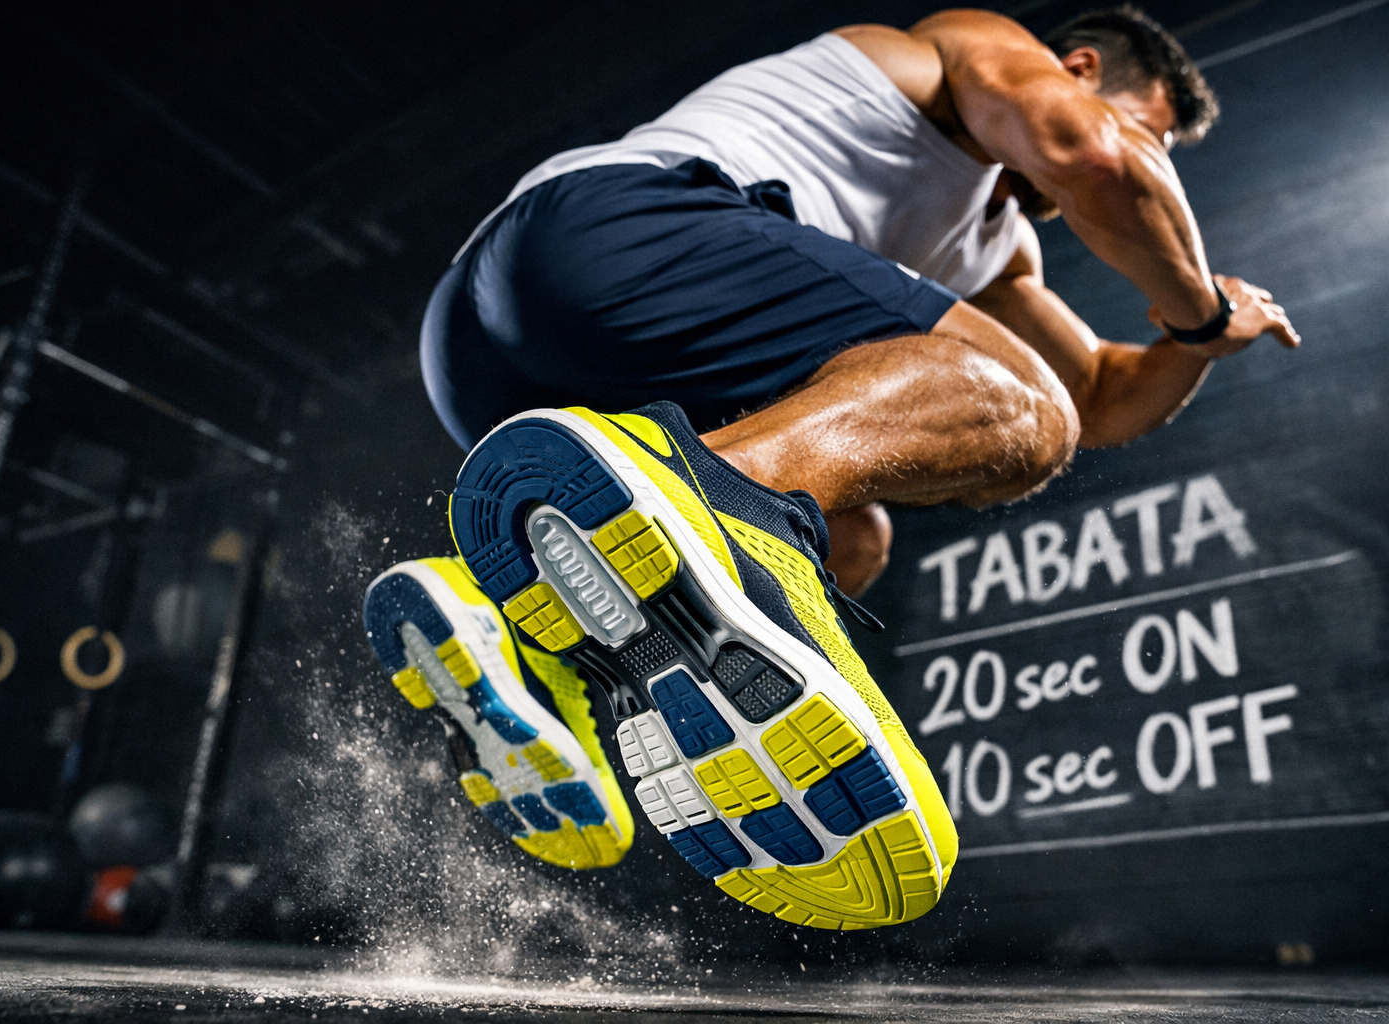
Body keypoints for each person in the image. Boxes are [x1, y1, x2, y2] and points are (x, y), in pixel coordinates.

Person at [363, 6, 1298, 929]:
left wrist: (1195, 339)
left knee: (851, 538)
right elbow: (1093, 154)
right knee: (1007, 403)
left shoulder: (996, 244)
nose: (1159, 168)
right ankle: (710, 501)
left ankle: (520, 646)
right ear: (1084, 67)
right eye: (1159, 136)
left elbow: (1095, 397)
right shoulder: (970, 48)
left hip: (488, 346)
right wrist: (1202, 305)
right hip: (613, 231)